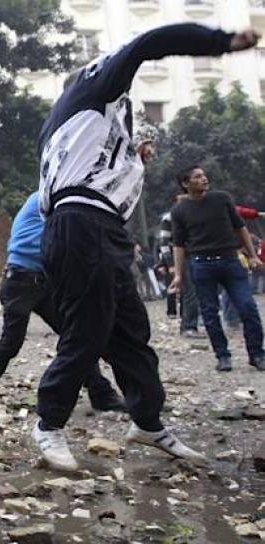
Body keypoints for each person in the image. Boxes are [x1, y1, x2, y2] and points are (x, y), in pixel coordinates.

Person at [33, 23, 258, 471]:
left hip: (98, 229)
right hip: (81, 225)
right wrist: (221, 42)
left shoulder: (75, 129)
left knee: (132, 332)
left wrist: (134, 162)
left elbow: (98, 174)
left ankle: (148, 422)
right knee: (87, 331)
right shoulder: (93, 85)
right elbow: (149, 42)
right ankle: (48, 423)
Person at [0, 192, 126, 412]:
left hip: (45, 280)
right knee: (11, 342)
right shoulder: (53, 198)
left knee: (75, 337)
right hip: (22, 279)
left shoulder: (59, 199)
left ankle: (101, 394)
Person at [169, 166, 265, 372]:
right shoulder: (179, 211)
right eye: (197, 177)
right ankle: (222, 356)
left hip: (230, 261)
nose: (204, 179)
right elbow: (178, 244)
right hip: (201, 265)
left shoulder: (222, 199)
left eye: (203, 175)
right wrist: (178, 275)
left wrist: (253, 256)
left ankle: (257, 354)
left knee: (248, 307)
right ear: (186, 184)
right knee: (210, 314)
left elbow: (240, 228)